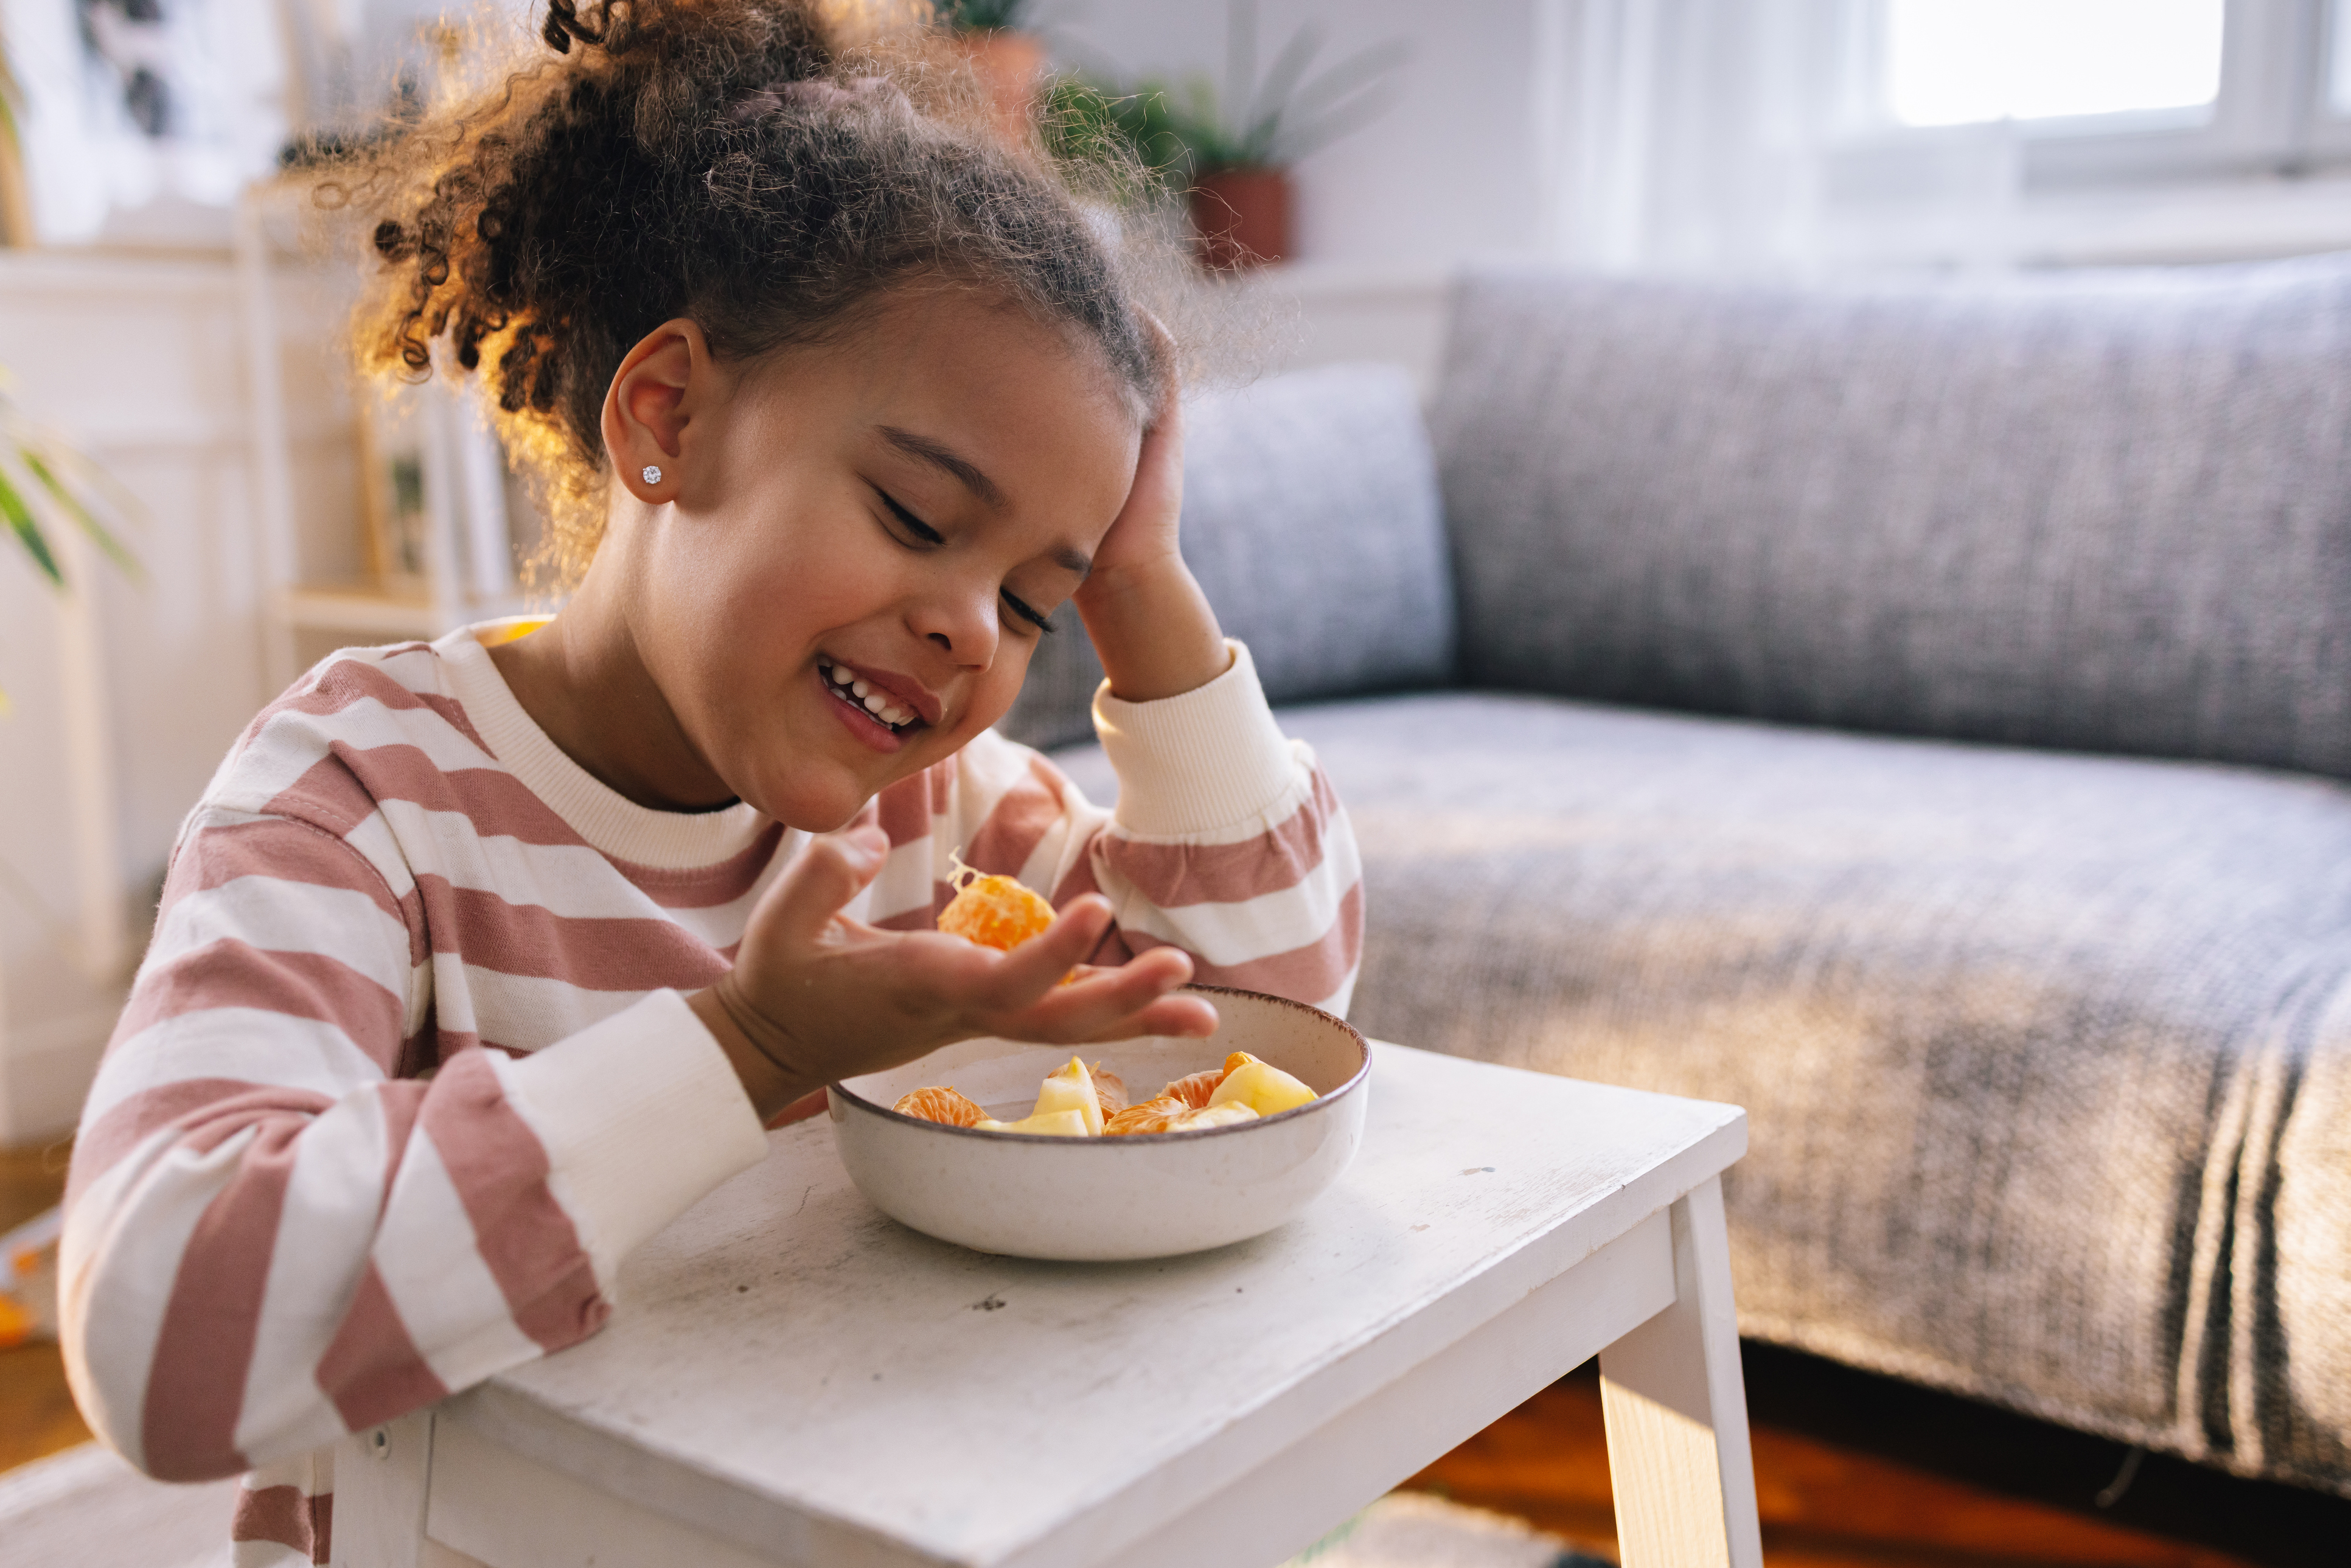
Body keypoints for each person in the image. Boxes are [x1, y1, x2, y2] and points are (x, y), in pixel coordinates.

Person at [54, 3, 1363, 1562]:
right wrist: (744, 1048)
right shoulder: (365, 800)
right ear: (670, 416)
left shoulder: (935, 817)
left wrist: (1138, 584)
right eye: (917, 511)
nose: (969, 625)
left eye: (1032, 601)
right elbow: (161, 1325)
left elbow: (1270, 1020)